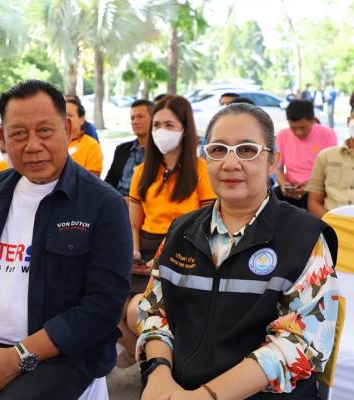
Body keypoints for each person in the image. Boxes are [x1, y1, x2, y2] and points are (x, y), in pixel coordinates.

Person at [137, 103, 339, 400]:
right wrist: (158, 376)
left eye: (247, 150)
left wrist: (207, 396)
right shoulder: (181, 231)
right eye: (218, 150)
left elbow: (301, 343)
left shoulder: (304, 238)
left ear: (273, 162)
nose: (230, 163)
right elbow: (154, 312)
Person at [0, 80, 133, 399]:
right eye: (19, 134)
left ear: (68, 129)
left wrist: (15, 358)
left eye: (45, 131)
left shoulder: (103, 204)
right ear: (3, 137)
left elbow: (102, 307)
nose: (32, 145)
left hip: (61, 357)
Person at [120, 95, 216, 364]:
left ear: (185, 129)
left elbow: (206, 228)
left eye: (169, 125)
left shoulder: (202, 171)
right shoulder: (142, 171)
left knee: (136, 312)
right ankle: (147, 362)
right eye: (157, 125)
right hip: (144, 254)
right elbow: (134, 224)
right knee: (106, 308)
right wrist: (133, 252)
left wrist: (161, 259)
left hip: (183, 253)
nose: (161, 131)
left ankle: (158, 366)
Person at [274, 100, 337, 208]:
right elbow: (276, 167)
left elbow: (332, 170)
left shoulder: (328, 134)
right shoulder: (282, 135)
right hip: (291, 187)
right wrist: (284, 184)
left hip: (317, 188)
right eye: (293, 128)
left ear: (313, 120)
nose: (298, 132)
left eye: (303, 127)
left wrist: (310, 185)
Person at [307, 110, 354, 218]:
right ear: (348, 121)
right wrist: (333, 224)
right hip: (331, 223)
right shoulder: (326, 156)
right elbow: (313, 202)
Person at [105, 99, 153, 198]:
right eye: (132, 118)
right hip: (117, 201)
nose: (135, 122)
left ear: (154, 119)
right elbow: (109, 181)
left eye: (140, 117)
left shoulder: (161, 152)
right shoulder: (122, 149)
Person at [66, 98, 103, 176]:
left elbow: (93, 179)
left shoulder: (91, 145)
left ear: (82, 120)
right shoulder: (53, 143)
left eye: (69, 115)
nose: (65, 119)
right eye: (62, 115)